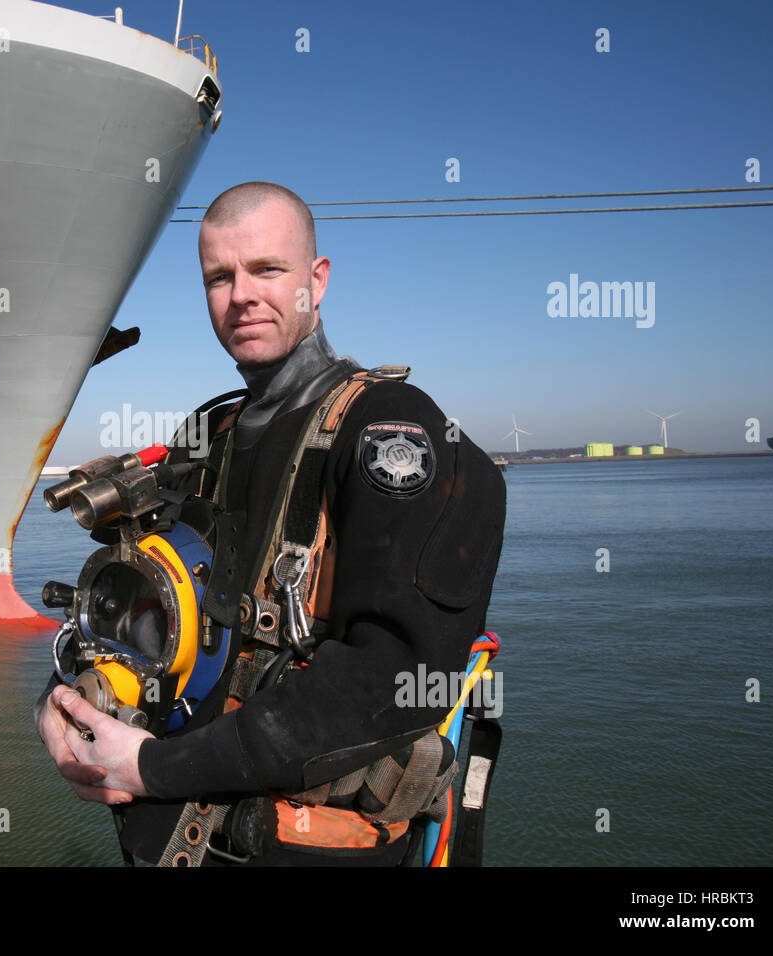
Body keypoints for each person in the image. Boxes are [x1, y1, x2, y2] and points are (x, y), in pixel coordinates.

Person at [35, 182, 506, 865]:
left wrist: (152, 769)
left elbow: (392, 681)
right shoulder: (208, 434)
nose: (242, 295)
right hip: (176, 840)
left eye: (267, 269)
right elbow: (131, 598)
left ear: (317, 281)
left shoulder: (389, 432)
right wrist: (62, 702)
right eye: (219, 277)